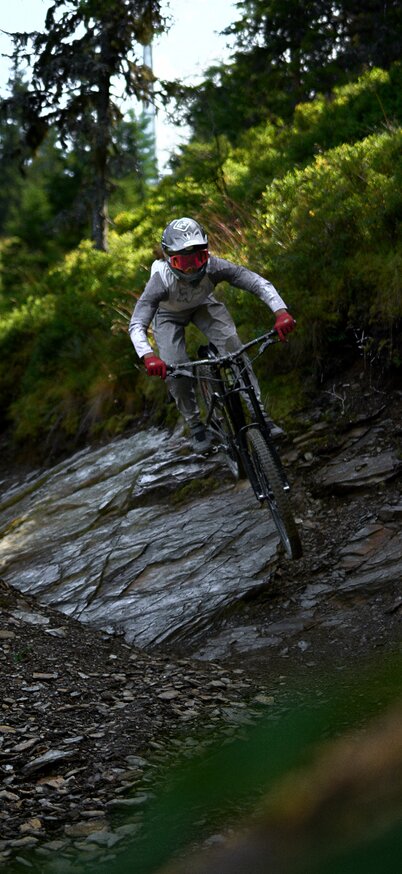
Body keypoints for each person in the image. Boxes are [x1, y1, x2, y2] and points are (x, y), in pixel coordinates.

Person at [129, 217, 296, 452]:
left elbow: (256, 282)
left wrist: (280, 312)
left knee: (234, 348)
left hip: (203, 304)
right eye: (182, 261)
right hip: (167, 315)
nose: (191, 268)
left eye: (198, 258)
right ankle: (195, 425)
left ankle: (262, 416)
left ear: (206, 254)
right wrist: (148, 356)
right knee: (176, 368)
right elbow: (137, 323)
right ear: (169, 259)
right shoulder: (160, 281)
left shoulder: (215, 267)